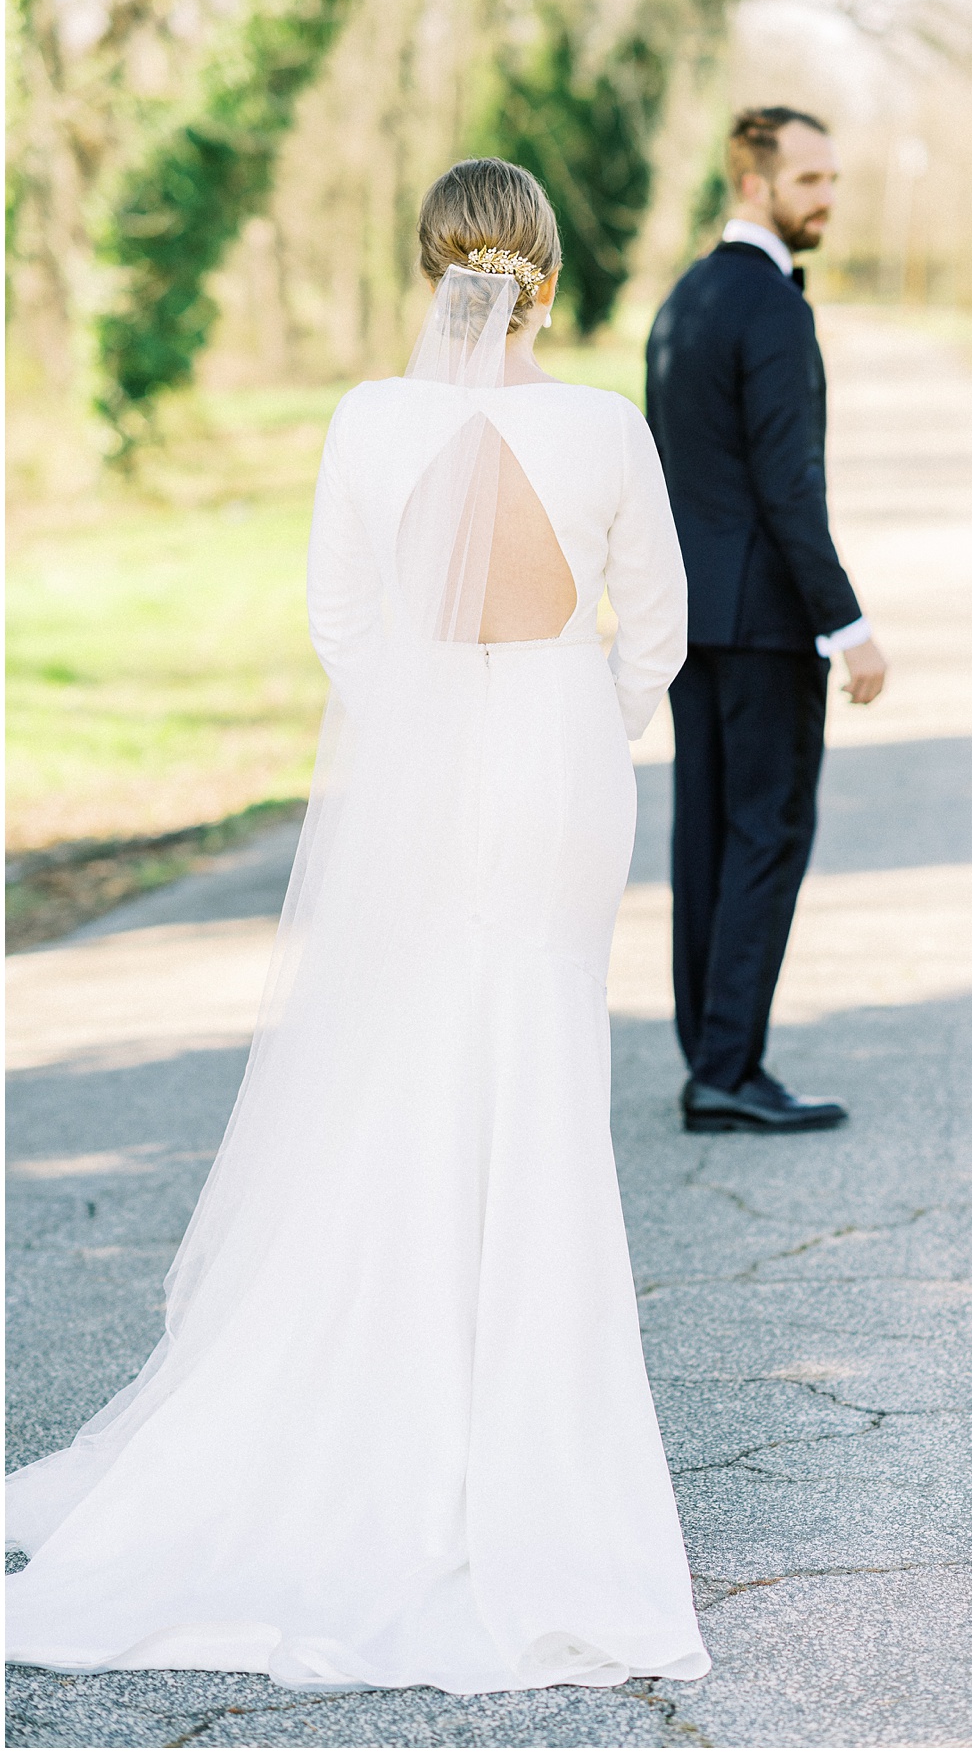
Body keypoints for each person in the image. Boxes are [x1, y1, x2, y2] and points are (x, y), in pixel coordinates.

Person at [7, 160, 710, 1693]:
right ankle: (527, 1442)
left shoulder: (369, 422)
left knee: (404, 1059)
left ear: (429, 265)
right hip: (556, 764)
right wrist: (600, 718)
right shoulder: (602, 425)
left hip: (425, 761)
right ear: (544, 269)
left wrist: (408, 740)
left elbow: (341, 616)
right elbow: (657, 620)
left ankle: (378, 1405)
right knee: (537, 1066)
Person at [646, 107, 887, 1136]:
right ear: (755, 183)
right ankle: (730, 1070)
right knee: (769, 831)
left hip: (691, 618)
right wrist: (847, 624)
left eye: (833, 179)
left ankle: (711, 1056)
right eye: (810, 181)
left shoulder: (685, 300)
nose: (827, 198)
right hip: (765, 623)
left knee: (706, 833)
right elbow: (790, 486)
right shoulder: (775, 311)